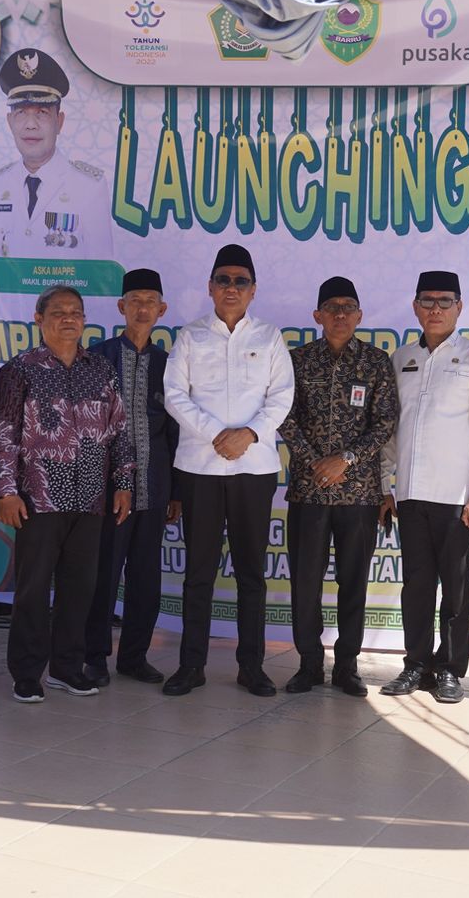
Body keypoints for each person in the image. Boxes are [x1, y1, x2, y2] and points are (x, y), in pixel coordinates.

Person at [162, 243, 294, 697]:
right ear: (210, 287)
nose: (231, 287)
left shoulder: (269, 337)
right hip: (199, 467)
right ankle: (191, 665)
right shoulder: (190, 336)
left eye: (240, 281)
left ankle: (251, 666)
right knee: (198, 572)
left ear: (253, 290)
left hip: (253, 469)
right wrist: (218, 433)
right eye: (223, 280)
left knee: (251, 573)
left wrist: (249, 434)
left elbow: (282, 396)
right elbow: (175, 395)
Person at [0, 285, 133, 703]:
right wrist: (6, 491)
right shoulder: (19, 370)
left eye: (76, 311)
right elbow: (4, 435)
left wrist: (124, 484)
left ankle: (67, 668)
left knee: (80, 587)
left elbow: (119, 430)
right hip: (37, 496)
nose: (68, 318)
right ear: (39, 319)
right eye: (58, 312)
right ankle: (26, 672)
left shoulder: (101, 370)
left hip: (90, 496)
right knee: (33, 589)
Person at [378, 271, 469, 704]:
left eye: (444, 301)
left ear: (459, 307)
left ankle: (449, 669)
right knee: (416, 584)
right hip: (411, 494)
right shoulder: (402, 358)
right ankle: (415, 664)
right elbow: (391, 430)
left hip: (456, 496)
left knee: (456, 587)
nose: (435, 309)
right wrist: (384, 484)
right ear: (415, 307)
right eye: (427, 301)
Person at [277, 276, 399, 697]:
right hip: (308, 490)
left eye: (348, 307)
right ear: (318, 315)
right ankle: (309, 664)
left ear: (360, 316)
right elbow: (285, 417)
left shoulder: (376, 362)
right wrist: (316, 462)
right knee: (305, 582)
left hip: (359, 493)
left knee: (353, 581)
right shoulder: (297, 361)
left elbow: (384, 423)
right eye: (332, 307)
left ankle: (347, 666)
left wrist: (344, 459)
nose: (340, 314)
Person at [83, 269, 179, 687]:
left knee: (146, 575)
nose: (143, 308)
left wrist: (176, 492)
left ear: (162, 309)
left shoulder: (169, 365)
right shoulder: (97, 357)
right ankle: (94, 656)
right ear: (121, 307)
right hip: (106, 490)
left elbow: (175, 430)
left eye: (150, 301)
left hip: (154, 487)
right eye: (135, 301)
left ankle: (134, 657)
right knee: (102, 574)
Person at [0, 47, 113, 261]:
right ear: (10, 122)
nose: (30, 125)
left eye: (42, 113)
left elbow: (101, 272)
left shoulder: (89, 187)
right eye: (21, 113)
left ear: (59, 122)